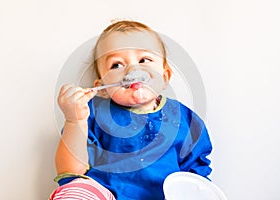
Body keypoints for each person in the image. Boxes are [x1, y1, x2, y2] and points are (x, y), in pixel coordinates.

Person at [49, 20, 212, 200]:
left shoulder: (186, 120)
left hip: (164, 196)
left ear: (165, 77)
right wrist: (74, 120)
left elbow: (196, 178)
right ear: (102, 88)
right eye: (117, 65)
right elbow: (70, 172)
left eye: (144, 60)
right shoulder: (92, 113)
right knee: (75, 190)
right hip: (105, 194)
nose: (133, 69)